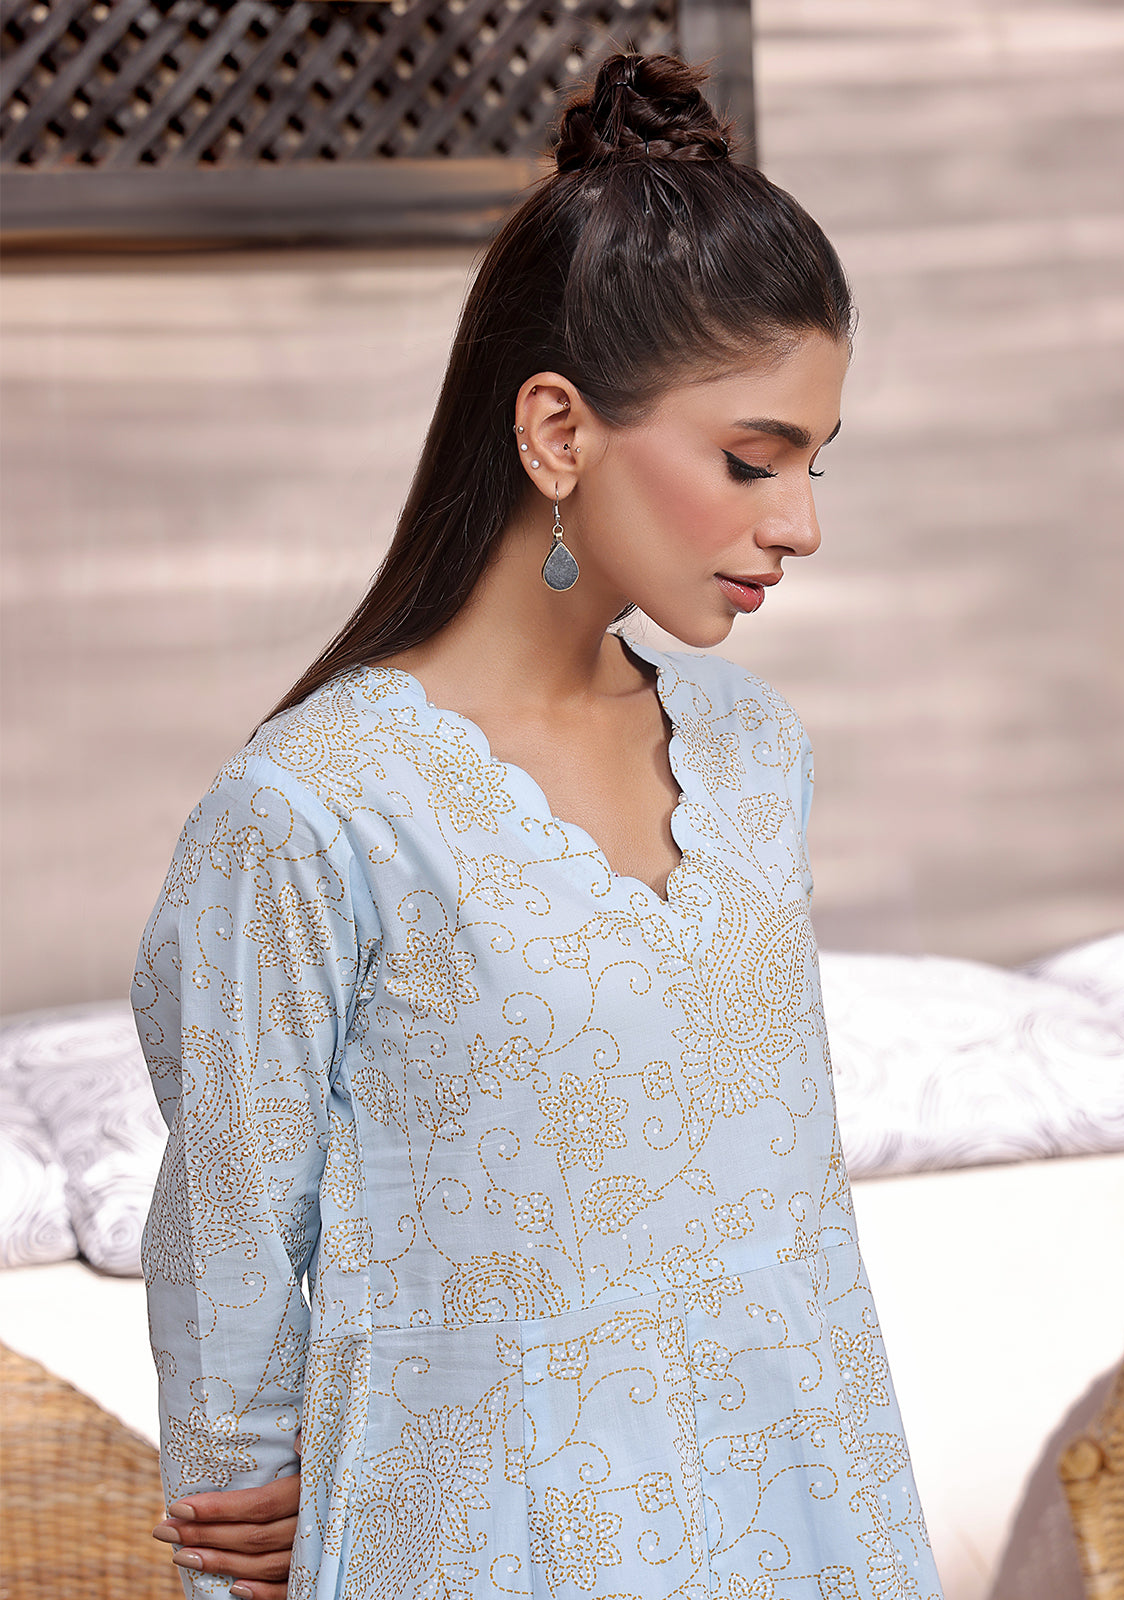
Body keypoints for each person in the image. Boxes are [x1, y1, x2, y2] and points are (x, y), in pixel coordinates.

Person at [136, 49, 943, 1600]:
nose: (800, 523)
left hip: (806, 1520)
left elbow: (788, 1218)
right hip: (485, 1546)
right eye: (752, 459)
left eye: (813, 463)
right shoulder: (313, 813)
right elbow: (228, 1244)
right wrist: (240, 1503)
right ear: (560, 431)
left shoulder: (755, 753)